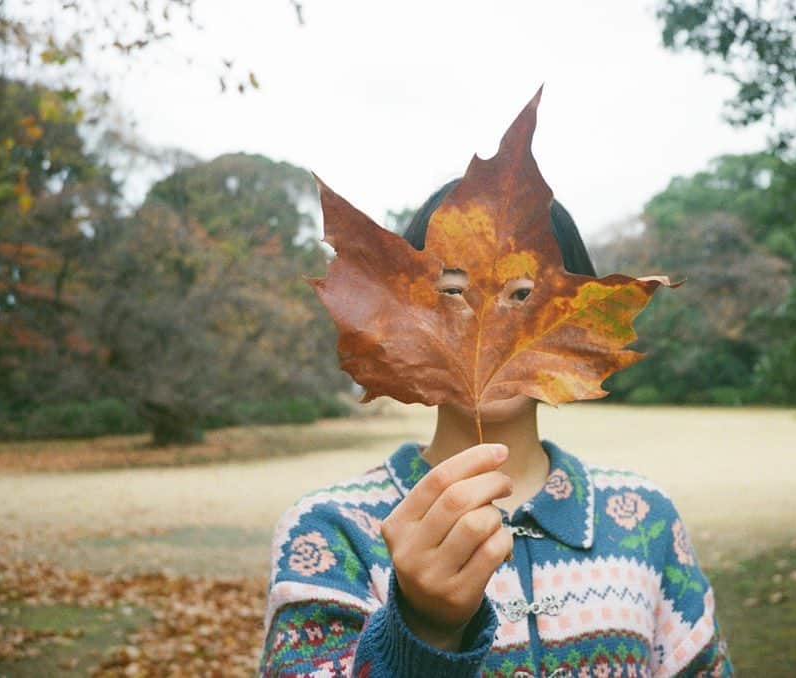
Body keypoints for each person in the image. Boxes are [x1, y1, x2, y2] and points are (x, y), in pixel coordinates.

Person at [259, 179, 734, 677]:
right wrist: (422, 630)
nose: (492, 322)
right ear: (398, 324)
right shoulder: (331, 529)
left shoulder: (645, 520)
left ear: (579, 325)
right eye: (452, 293)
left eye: (523, 294)